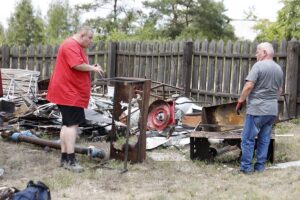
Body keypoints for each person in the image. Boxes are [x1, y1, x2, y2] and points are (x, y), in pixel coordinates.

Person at [46, 26, 103, 173]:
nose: (91, 41)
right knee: (72, 126)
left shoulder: (75, 46)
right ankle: (70, 160)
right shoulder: (71, 45)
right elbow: (76, 65)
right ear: (82, 35)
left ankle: (64, 158)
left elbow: (79, 64)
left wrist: (91, 66)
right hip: (69, 93)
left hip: (68, 92)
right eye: (89, 38)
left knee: (66, 125)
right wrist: (93, 69)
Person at [236, 42, 283, 174]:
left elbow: (249, 86)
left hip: (257, 109)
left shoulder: (258, 66)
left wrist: (240, 101)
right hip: (272, 110)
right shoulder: (279, 69)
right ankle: (260, 167)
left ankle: (246, 168)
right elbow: (279, 91)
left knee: (247, 139)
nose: (256, 55)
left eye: (257, 52)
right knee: (264, 139)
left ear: (264, 52)